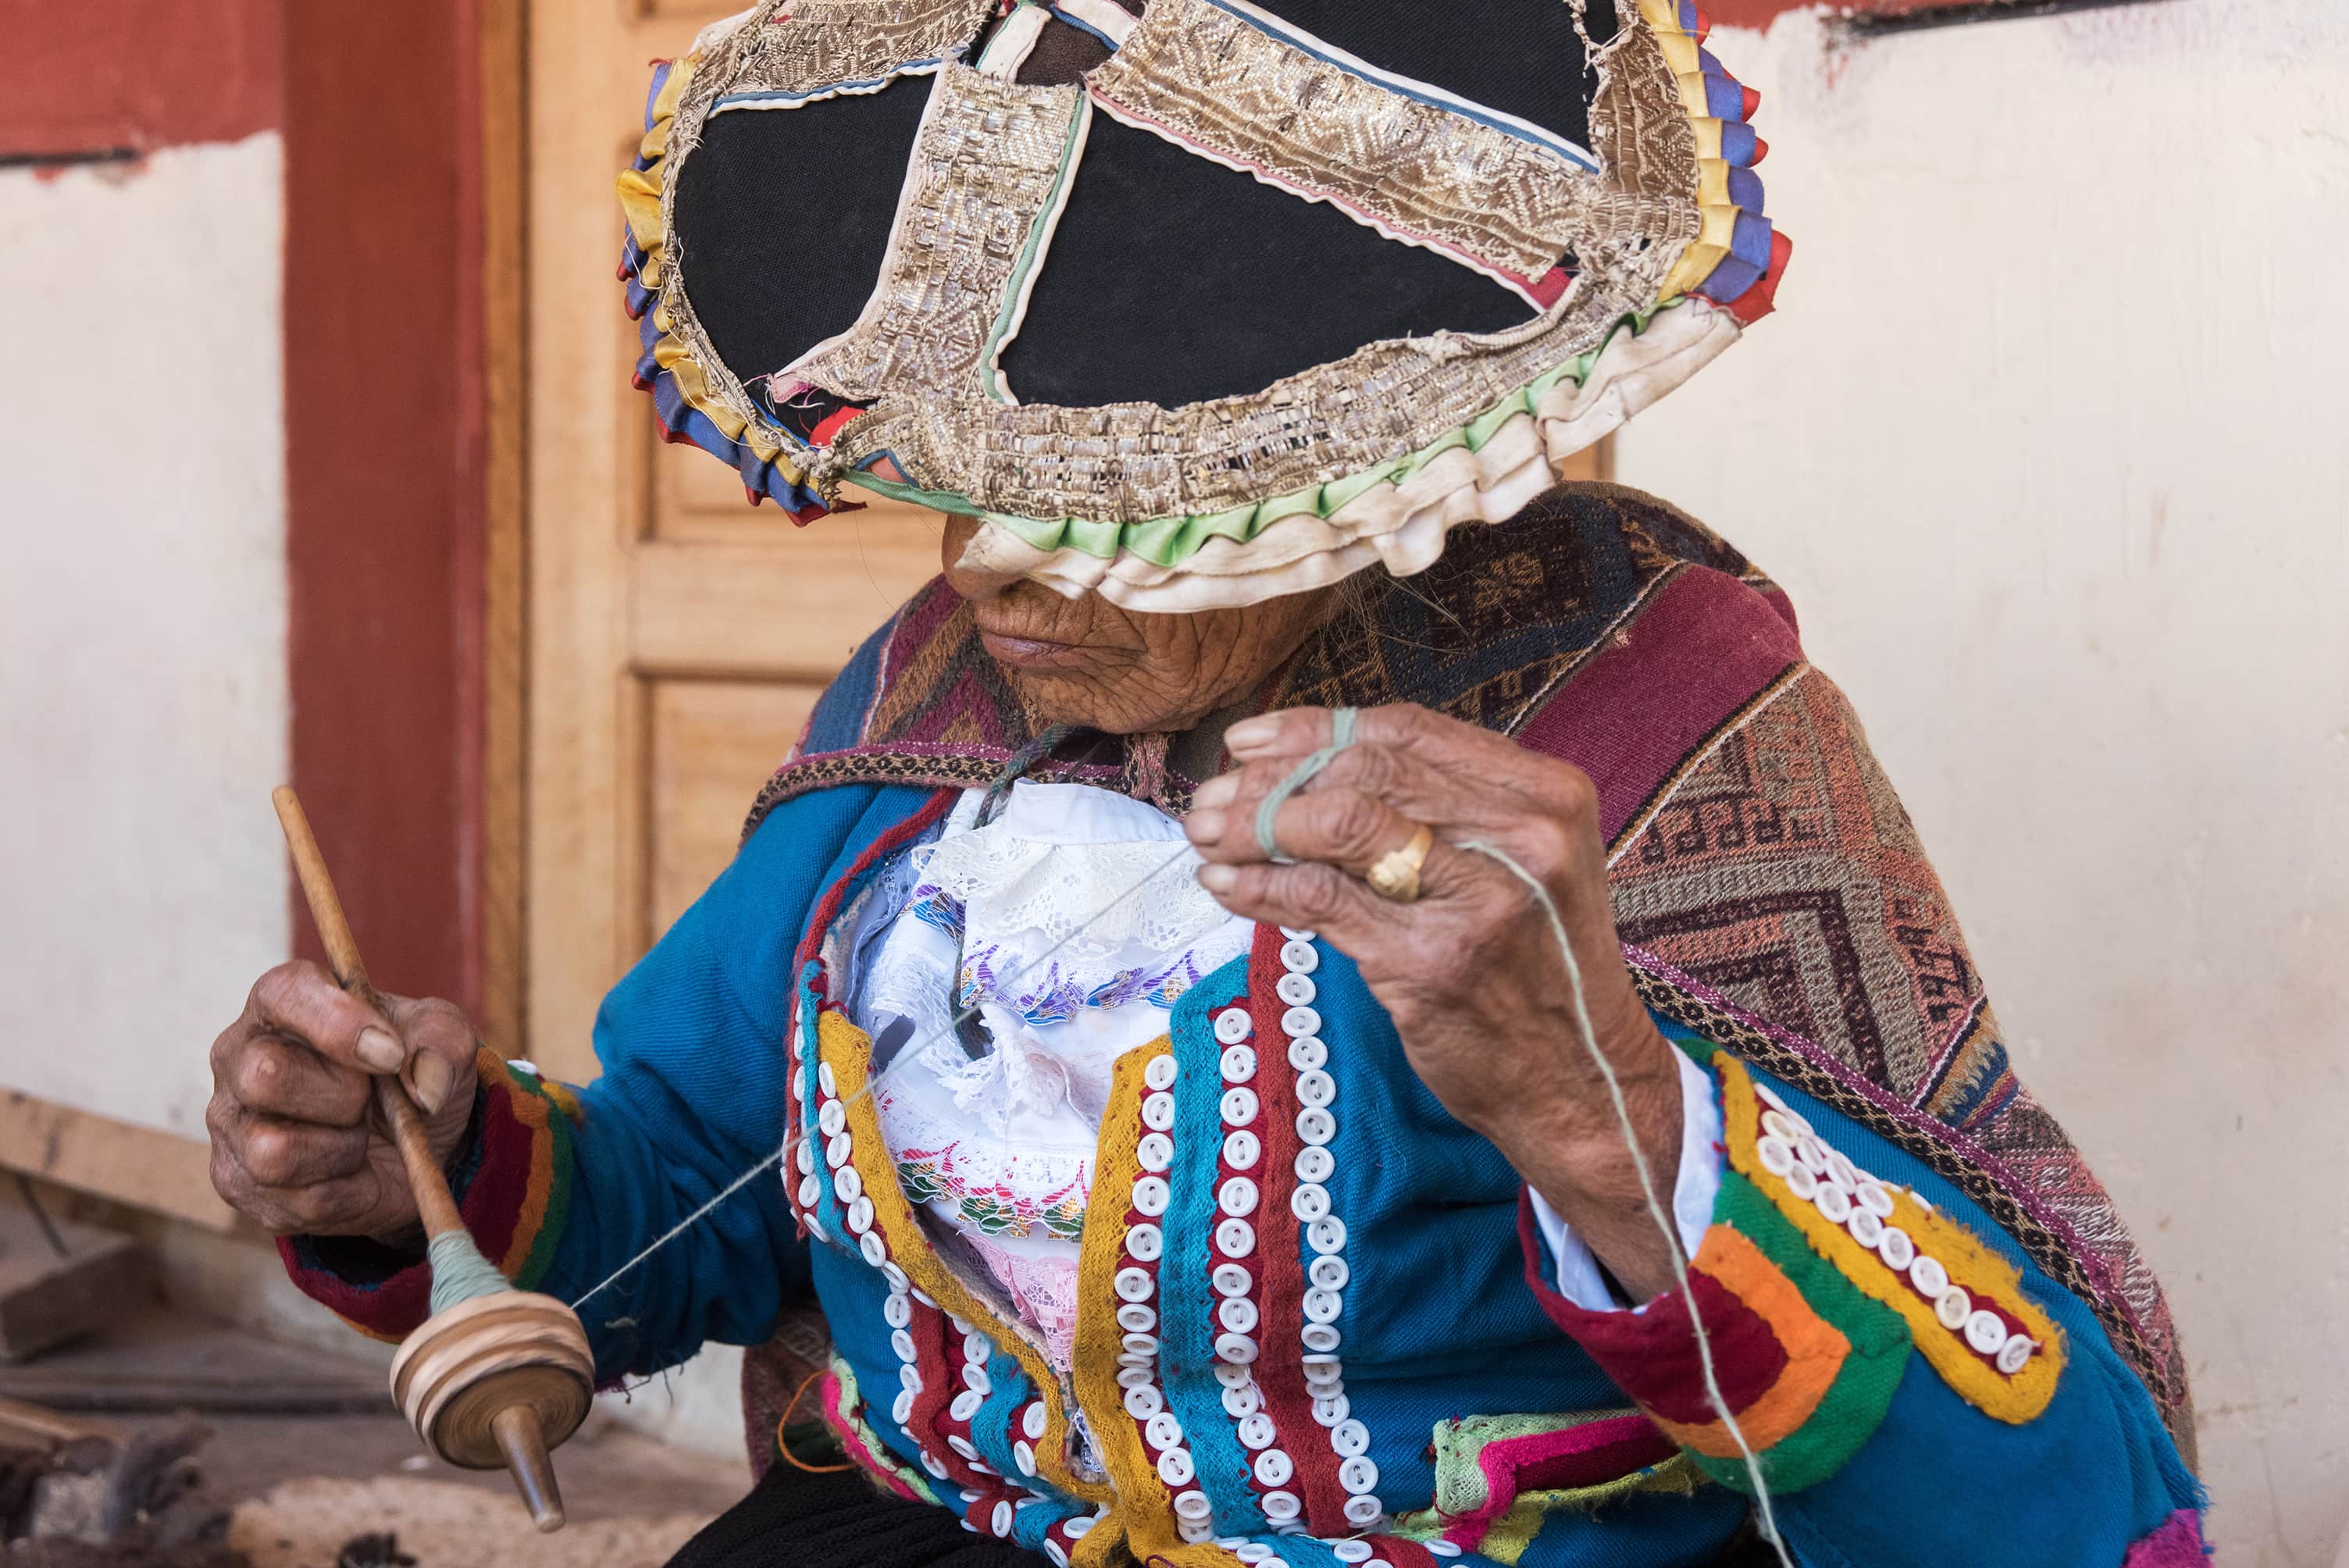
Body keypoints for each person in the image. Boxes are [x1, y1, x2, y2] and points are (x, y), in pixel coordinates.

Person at [204, 2, 2208, 1563]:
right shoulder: (933, 695)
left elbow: (2061, 1495)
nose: (988, 575)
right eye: (957, 505)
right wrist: (430, 1176)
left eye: (1079, 517)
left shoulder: (1645, 717)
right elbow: (687, 1198)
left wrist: (1614, 1115)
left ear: (1330, 481)